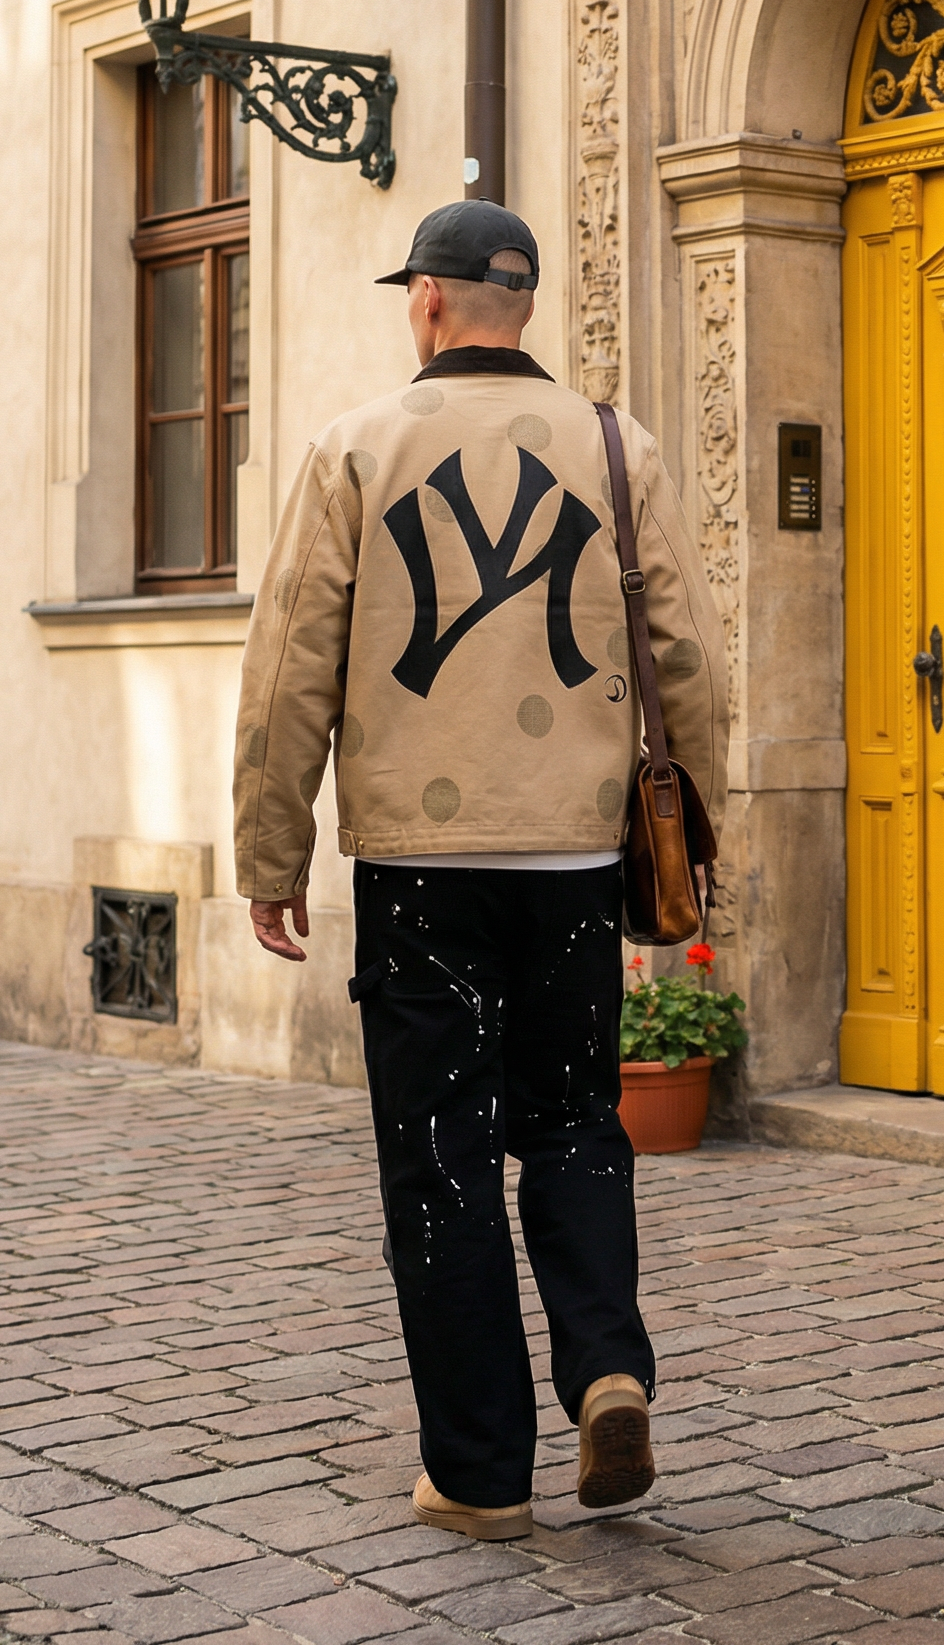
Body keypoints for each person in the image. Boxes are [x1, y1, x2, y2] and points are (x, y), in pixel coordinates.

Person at [231, 200, 727, 1540]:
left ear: (430, 303)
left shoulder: (354, 448)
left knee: (440, 1156)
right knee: (573, 1120)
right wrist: (705, 837)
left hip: (419, 864)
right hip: (572, 857)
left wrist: (271, 847)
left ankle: (479, 1475)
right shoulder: (618, 448)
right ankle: (608, 1365)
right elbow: (687, 660)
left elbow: (290, 672)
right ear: (524, 305)